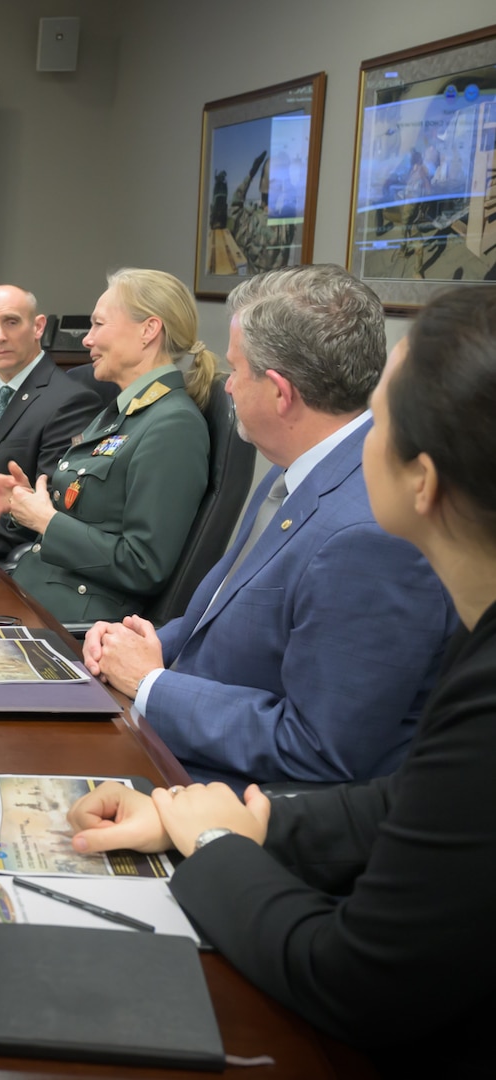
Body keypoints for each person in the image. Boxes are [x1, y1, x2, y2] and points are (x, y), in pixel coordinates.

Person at [68, 286, 496, 1074]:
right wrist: (221, 821)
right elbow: (404, 802)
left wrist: (216, 844)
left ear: (425, 481)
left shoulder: (371, 545)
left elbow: (357, 981)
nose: (363, 424)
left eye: (383, 410)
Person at [82, 265, 455, 789]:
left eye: (236, 370)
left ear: (280, 392)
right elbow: (217, 617)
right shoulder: (296, 464)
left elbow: (317, 748)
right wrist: (144, 646)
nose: (227, 385)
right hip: (176, 735)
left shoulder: (369, 536)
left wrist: (149, 683)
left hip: (232, 797)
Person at [0, 268, 213, 623]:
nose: (87, 340)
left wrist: (47, 521)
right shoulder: (120, 411)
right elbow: (88, 515)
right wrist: (26, 503)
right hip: (32, 595)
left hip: (74, 625)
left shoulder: (172, 426)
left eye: (98, 325)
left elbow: (144, 565)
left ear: (148, 331)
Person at [0, 286, 102, 558]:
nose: (0, 336)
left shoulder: (71, 401)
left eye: (11, 322)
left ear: (38, 327)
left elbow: (49, 504)